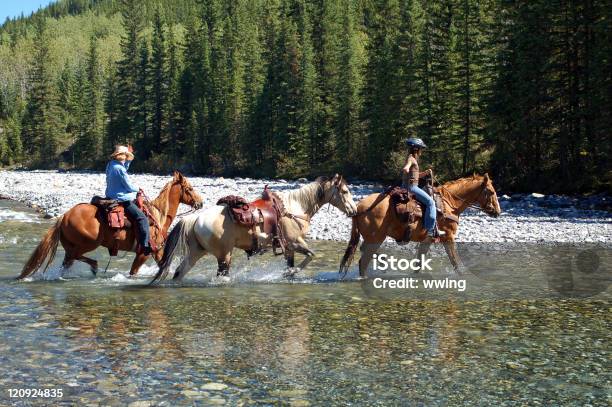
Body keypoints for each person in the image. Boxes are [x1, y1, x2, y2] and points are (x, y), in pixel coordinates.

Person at [105, 145, 152, 255]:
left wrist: (129, 162)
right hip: (121, 199)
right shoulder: (120, 169)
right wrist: (138, 189)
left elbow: (123, 168)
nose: (125, 157)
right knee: (142, 218)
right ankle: (144, 245)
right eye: (125, 155)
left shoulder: (111, 165)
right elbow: (128, 187)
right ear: (121, 156)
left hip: (110, 196)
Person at [401, 137, 443, 239]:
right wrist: (406, 168)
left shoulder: (411, 158)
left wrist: (425, 173)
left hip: (407, 186)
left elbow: (415, 175)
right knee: (431, 202)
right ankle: (430, 230)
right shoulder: (411, 158)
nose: (421, 151)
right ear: (416, 149)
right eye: (421, 149)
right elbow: (407, 167)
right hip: (412, 187)